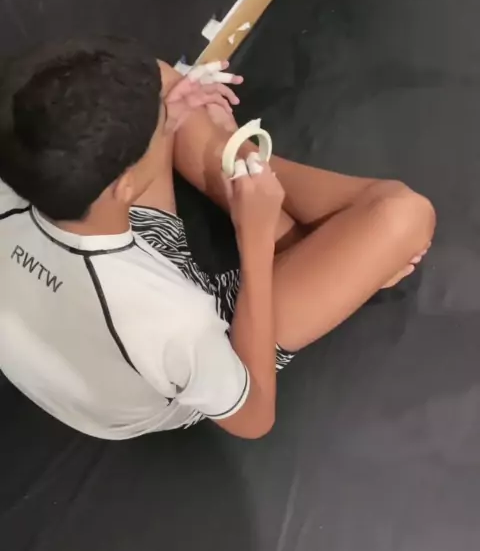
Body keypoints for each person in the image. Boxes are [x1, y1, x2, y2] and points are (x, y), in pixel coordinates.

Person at [0, 37, 435, 440]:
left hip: (84, 245)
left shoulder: (23, 169)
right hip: (179, 362)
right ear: (125, 186)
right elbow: (254, 419)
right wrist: (255, 239)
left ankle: (286, 213)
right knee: (404, 216)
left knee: (161, 81)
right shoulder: (177, 322)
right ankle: (258, 181)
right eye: (156, 131)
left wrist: (165, 117)